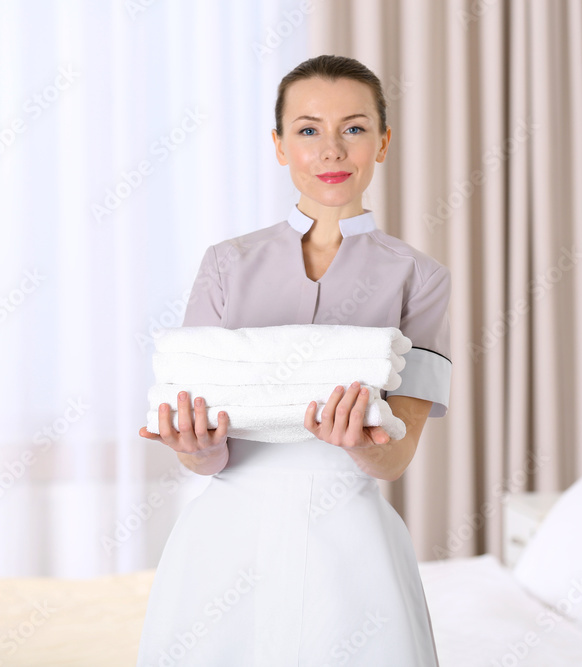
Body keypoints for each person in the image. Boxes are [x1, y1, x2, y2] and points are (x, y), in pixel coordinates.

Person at [135, 54, 452, 666]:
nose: (331, 149)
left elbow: (395, 459)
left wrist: (360, 443)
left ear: (383, 142)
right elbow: (203, 452)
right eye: (308, 129)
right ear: (280, 146)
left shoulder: (421, 277)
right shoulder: (226, 264)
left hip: (351, 541)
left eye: (354, 128)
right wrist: (196, 448)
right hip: (227, 540)